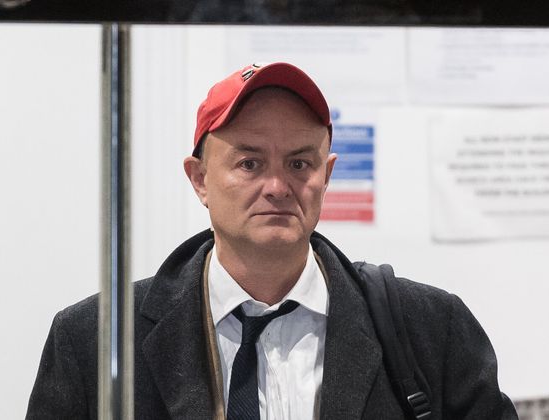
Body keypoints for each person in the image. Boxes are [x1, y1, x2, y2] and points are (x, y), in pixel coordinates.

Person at [26, 62, 517, 420]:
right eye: (249, 163)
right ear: (198, 179)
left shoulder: (432, 329)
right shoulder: (95, 340)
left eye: (300, 163)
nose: (278, 187)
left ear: (326, 176)